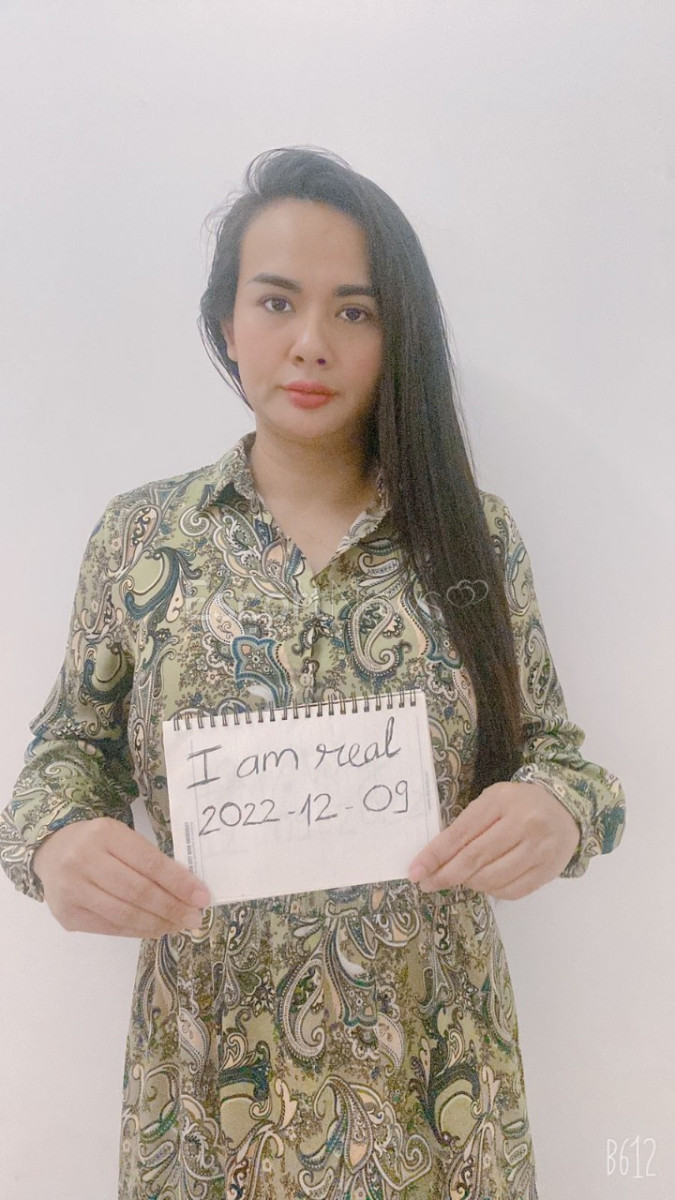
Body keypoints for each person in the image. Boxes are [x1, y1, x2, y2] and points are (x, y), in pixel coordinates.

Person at [0, 146, 626, 1200]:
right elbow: (66, 751)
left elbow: (559, 756)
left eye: (355, 310)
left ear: (396, 333)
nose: (310, 342)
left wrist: (559, 812)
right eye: (277, 300)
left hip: (435, 1089)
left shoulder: (471, 539)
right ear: (225, 321)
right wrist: (55, 839)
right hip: (209, 1091)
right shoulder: (142, 541)